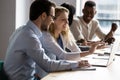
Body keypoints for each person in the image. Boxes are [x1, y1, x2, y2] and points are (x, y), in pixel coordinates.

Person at [3, 1, 90, 80]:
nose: (52, 21)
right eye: (52, 17)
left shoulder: (21, 30)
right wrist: (76, 64)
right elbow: (48, 65)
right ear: (43, 16)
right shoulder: (30, 37)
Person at [40, 6, 105, 61]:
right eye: (63, 19)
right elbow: (64, 55)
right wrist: (89, 52)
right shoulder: (46, 36)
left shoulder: (62, 34)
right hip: (47, 74)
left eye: (67, 19)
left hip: (57, 70)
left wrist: (82, 60)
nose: (67, 22)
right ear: (53, 20)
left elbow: (76, 50)